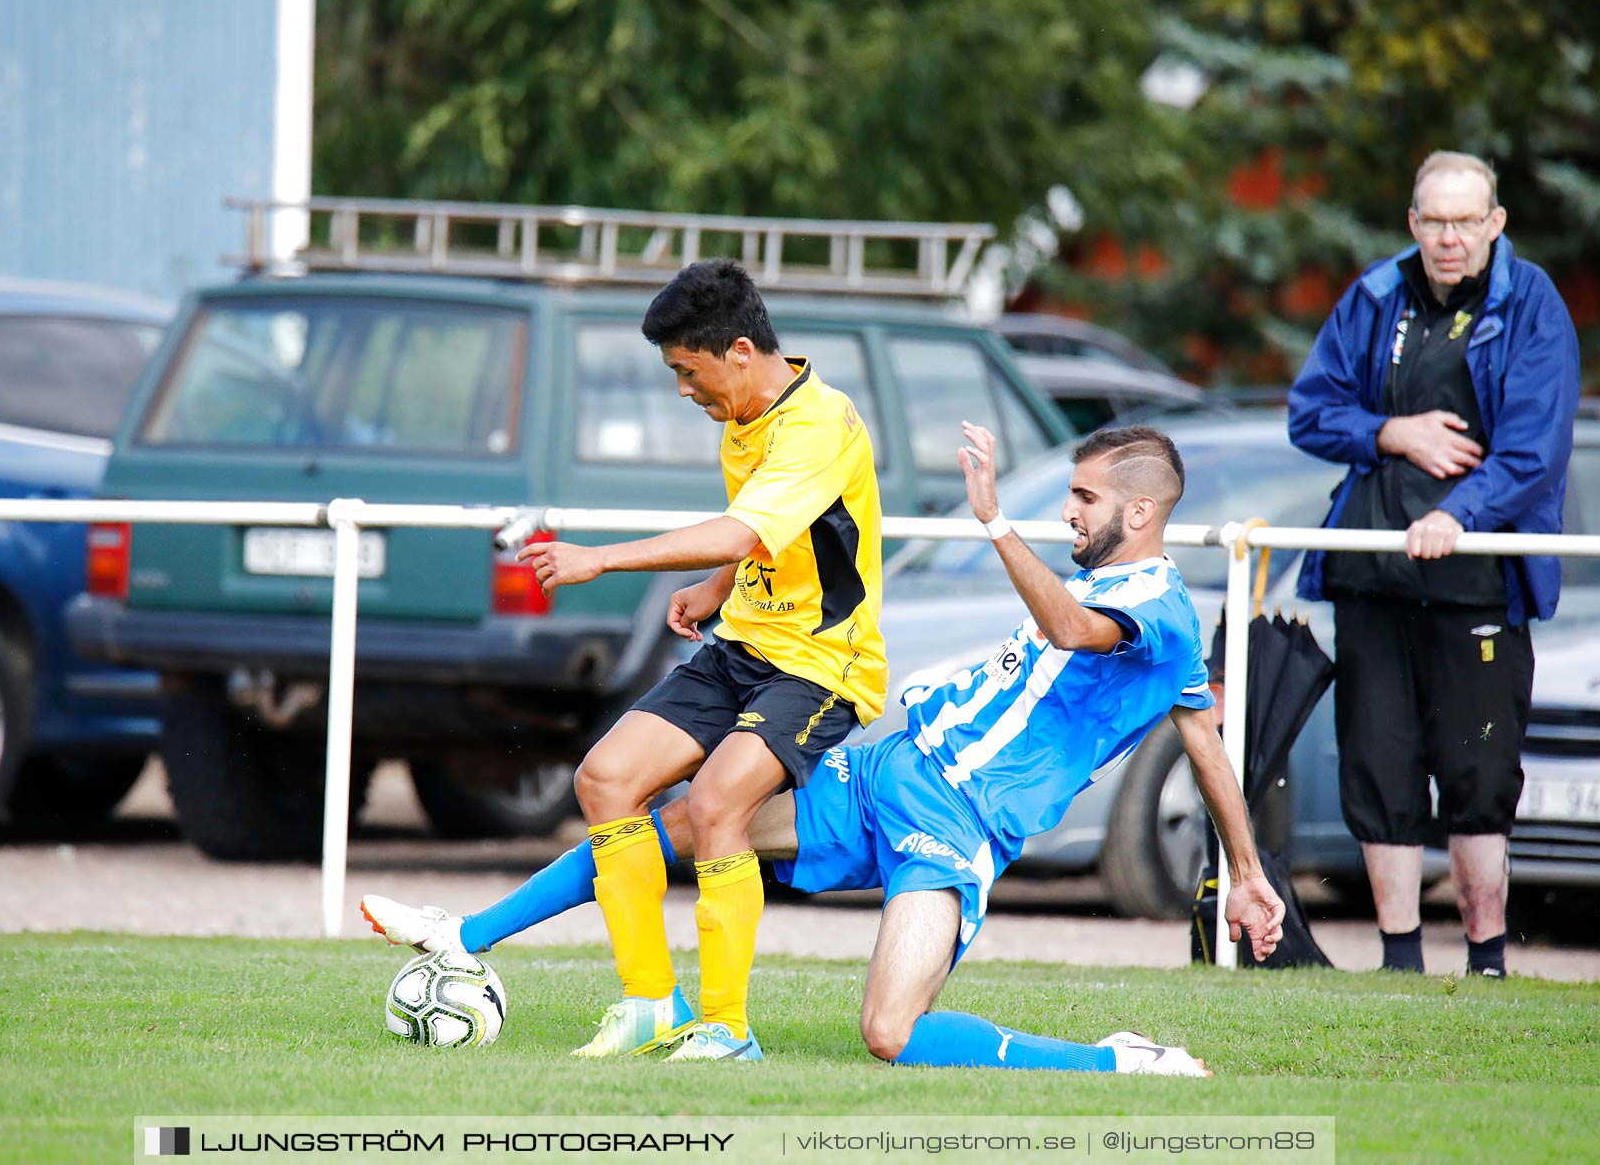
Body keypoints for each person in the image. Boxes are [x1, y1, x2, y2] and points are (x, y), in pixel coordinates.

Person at [365, 423, 1287, 1074]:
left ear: (1143, 511)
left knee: (890, 1035)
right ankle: (465, 936)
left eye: (1085, 500)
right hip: (892, 770)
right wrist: (1245, 870)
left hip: (958, 829)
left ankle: (1113, 1062)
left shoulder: (1158, 614)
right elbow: (1201, 741)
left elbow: (1094, 645)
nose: (1070, 515)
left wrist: (996, 522)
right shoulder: (1132, 597)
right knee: (681, 821)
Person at [509, 259, 887, 1061]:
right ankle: (651, 1003)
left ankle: (727, 1027)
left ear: (740, 351)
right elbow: (768, 529)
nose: (684, 389)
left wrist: (599, 559)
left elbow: (747, 527)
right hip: (744, 645)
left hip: (823, 665)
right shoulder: (745, 414)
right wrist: (718, 587)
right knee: (604, 779)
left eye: (689, 370)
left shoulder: (818, 422)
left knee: (717, 803)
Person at [1288, 150, 1580, 977]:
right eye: (1434, 222)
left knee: (1478, 773)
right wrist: (1390, 432)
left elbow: (1534, 451)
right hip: (1372, 577)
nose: (1449, 239)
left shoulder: (1531, 305)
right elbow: (1311, 412)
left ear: (1495, 225)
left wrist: (1459, 514)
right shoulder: (1377, 294)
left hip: (1476, 581)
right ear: (1413, 224)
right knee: (1379, 768)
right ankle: (1399, 962)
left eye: (1466, 221)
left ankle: (1486, 960)